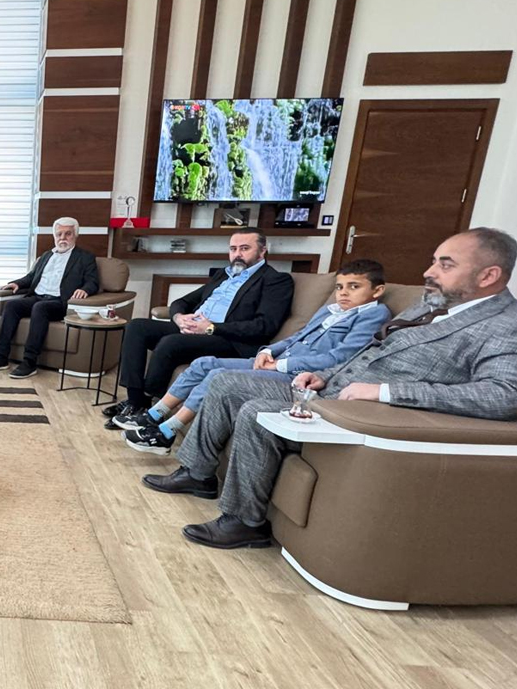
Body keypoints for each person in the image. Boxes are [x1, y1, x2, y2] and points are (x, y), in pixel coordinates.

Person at [142, 229, 517, 550]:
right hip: (331, 387)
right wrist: (324, 375)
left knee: (256, 410)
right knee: (225, 381)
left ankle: (244, 522)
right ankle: (198, 472)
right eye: (433, 262)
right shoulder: (430, 305)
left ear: (489, 275)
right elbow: (368, 351)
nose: (428, 272)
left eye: (445, 265)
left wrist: (385, 392)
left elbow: (505, 395)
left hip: (369, 412)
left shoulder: (504, 326)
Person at [120, 259, 391, 454]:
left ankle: (167, 432)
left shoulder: (374, 315)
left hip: (297, 375)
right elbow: (296, 336)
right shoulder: (330, 310)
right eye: (340, 287)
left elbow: (340, 357)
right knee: (203, 363)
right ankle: (153, 416)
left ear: (377, 290)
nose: (343, 293)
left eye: (353, 287)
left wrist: (281, 363)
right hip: (274, 361)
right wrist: (268, 351)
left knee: (217, 374)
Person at [105, 227, 294, 429]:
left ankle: (149, 403)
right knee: (137, 327)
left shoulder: (276, 280)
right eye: (233, 249)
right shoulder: (224, 274)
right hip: (197, 329)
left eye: (244, 248)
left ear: (262, 251)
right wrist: (179, 318)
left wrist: (211, 328)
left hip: (229, 340)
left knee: (171, 342)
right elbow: (183, 301)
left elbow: (263, 326)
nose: (237, 254)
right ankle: (135, 401)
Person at [0, 217, 100, 379]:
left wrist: (84, 289)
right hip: (37, 297)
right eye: (59, 234)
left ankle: (29, 362)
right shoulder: (46, 256)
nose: (63, 238)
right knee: (12, 305)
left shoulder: (85, 257)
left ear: (75, 235)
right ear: (54, 236)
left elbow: (93, 282)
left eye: (68, 234)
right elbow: (31, 277)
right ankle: (1, 357)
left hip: (59, 302)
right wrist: (16, 283)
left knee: (40, 308)